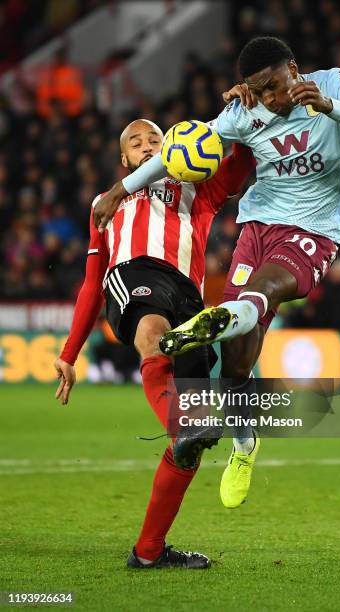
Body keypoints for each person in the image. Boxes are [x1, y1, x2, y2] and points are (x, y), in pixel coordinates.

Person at [91, 37, 340, 510]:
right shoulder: (244, 112)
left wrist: (330, 106)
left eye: (274, 86)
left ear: (294, 69)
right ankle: (245, 444)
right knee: (235, 365)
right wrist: (118, 190)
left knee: (263, 291)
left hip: (313, 230)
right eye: (259, 90)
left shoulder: (335, 83)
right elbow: (176, 153)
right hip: (257, 227)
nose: (270, 99)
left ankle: (217, 319)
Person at [54, 118, 254, 569]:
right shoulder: (105, 203)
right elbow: (91, 284)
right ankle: (181, 426)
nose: (147, 147)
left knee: (194, 441)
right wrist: (69, 353)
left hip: (192, 302)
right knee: (153, 335)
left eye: (155, 140)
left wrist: (243, 110)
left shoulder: (199, 188)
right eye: (136, 143)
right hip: (134, 275)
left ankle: (148, 552)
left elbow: (243, 157)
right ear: (124, 160)